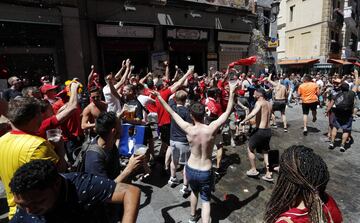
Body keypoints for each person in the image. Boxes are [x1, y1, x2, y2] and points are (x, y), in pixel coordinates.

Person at [154, 80, 237, 223]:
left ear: (191, 115)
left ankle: (192, 217)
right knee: (205, 201)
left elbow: (171, 112)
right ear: (204, 113)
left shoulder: (188, 128)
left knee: (194, 192)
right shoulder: (211, 128)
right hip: (205, 170)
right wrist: (232, 91)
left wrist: (160, 97)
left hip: (191, 168)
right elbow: (228, 111)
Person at [9, 159, 140, 223]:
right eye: (21, 205)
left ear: (56, 185)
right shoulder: (26, 201)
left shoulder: (82, 185)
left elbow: (130, 192)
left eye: (38, 202)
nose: (29, 210)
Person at [0, 97, 67, 220]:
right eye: (39, 113)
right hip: (37, 213)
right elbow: (59, 176)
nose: (42, 117)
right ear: (34, 117)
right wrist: (60, 149)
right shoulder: (38, 146)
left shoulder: (1, 141)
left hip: (15, 213)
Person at [264, 145, 343, 223]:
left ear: (287, 183)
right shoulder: (328, 201)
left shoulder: (286, 221)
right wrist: (285, 172)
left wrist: (285, 175)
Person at [240, 88, 273, 181]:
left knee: (250, 148)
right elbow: (266, 116)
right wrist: (252, 122)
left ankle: (253, 169)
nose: (254, 96)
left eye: (255, 94)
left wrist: (244, 120)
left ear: (259, 95)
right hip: (268, 130)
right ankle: (268, 173)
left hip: (260, 131)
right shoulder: (269, 104)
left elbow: (254, 113)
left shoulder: (259, 103)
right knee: (265, 151)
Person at [167, 90, 192, 196]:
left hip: (172, 139)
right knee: (187, 164)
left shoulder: (172, 107)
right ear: (185, 100)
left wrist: (176, 94)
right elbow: (190, 127)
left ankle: (172, 178)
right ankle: (185, 187)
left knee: (174, 160)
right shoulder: (187, 112)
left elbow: (170, 97)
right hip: (183, 141)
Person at [326, 80, 357, 152]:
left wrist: (327, 111)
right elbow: (356, 85)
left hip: (338, 113)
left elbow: (331, 104)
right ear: (348, 88)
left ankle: (332, 143)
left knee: (335, 127)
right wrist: (356, 75)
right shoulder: (351, 94)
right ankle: (342, 145)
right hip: (348, 114)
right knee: (346, 130)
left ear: (341, 88)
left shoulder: (337, 94)